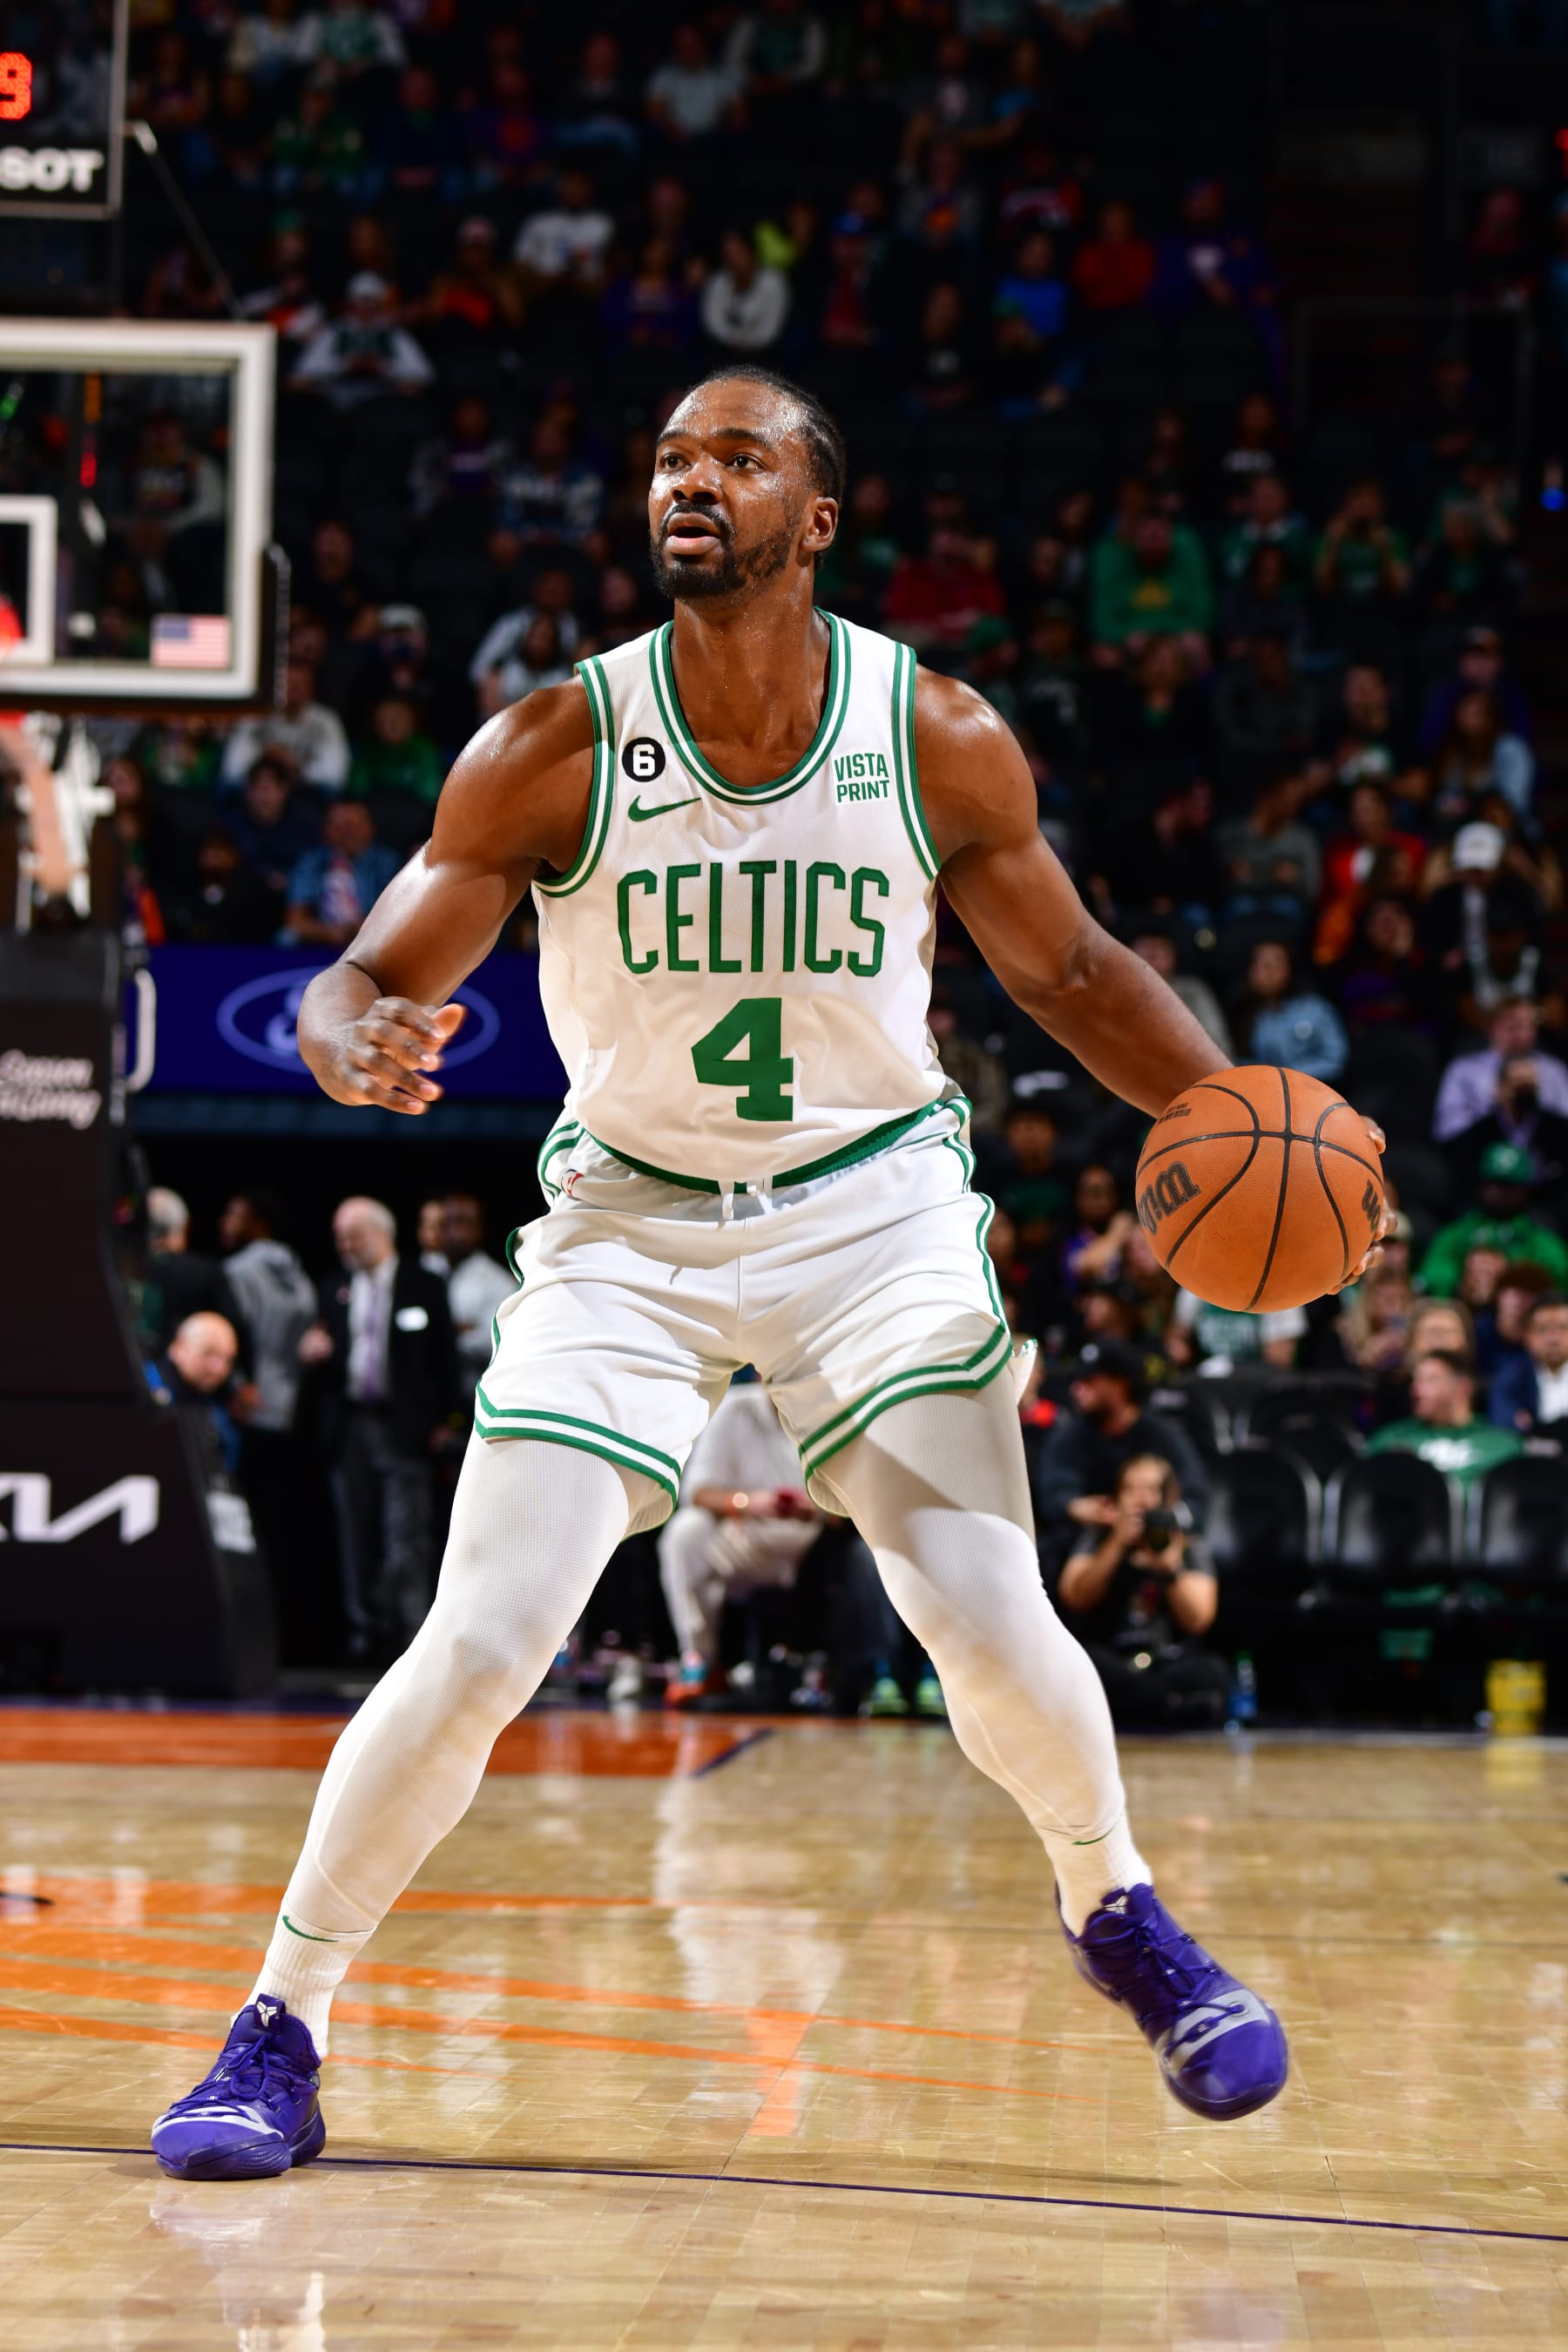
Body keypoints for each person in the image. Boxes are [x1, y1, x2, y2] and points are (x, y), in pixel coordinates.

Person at [154, 363, 1394, 2185]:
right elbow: (368, 966)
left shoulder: (936, 732)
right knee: (487, 1638)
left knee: (982, 1612)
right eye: (668, 455)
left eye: (738, 457)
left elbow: (1069, 977)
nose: (690, 480)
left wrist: (1240, 1111)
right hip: (633, 1234)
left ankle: (1117, 1910)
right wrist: (342, 1033)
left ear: (816, 516)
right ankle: (283, 2021)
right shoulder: (553, 745)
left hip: (869, 1217)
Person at [300, 1197, 458, 1666]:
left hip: (402, 1428)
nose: (345, 1245)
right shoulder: (334, 1288)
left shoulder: (422, 1285)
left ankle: (410, 1638)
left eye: (353, 1235)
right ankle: (364, 1638)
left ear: (382, 1233)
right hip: (350, 1426)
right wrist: (313, 1351)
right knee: (356, 1537)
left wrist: (444, 1422)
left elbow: (443, 1361)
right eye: (340, 1237)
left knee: (405, 1536)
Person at [659, 1377, 830, 1702]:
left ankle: (854, 1671)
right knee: (686, 1532)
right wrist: (748, 1503)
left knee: (857, 1544)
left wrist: (819, 1507)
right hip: (750, 1541)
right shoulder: (736, 1406)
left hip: (815, 1546)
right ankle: (701, 1661)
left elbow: (852, 1506)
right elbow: (696, 1490)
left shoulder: (830, 1405)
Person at [1053, 1454, 1228, 1731]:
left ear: (1169, 1497)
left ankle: (1150, 1705)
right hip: (1114, 1658)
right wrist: (1116, 1545)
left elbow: (1199, 1619)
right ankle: (1169, 1707)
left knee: (1212, 1671)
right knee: (1085, 1663)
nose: (1139, 1499)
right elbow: (1074, 1597)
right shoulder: (1099, 1539)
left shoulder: (1186, 1544)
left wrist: (1170, 1569)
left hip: (1167, 1660)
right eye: (1130, 1489)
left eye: (1148, 1489)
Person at [1031, 1336, 1211, 1563]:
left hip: (1152, 1546)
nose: (1077, 1389)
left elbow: (1195, 1500)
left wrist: (1158, 1518)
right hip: (1090, 1543)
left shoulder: (1162, 1435)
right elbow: (1051, 1491)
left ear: (1119, 1384)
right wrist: (1076, 1507)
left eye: (1089, 1381)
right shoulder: (1071, 1433)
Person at [1417, 1143, 1568, 1297]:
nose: (1500, 1193)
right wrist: (1462, 1280)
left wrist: (1509, 1275)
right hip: (1461, 1311)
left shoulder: (1542, 1242)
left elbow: (1558, 1281)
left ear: (1524, 1190)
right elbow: (1430, 1275)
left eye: (1509, 1186)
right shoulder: (1456, 1234)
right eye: (1494, 1184)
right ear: (1481, 1184)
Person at [1365, 1349, 1524, 1492]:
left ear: (1463, 1387)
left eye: (1430, 1380)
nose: (1415, 1389)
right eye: (1415, 1381)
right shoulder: (1390, 1438)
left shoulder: (1502, 1445)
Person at [1434, 1001, 1568, 1144]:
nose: (1522, 1035)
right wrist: (1496, 1106)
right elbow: (1446, 1130)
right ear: (1491, 1028)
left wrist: (1532, 1103)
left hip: (1542, 1158)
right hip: (1483, 1155)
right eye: (1512, 1027)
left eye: (1529, 1027)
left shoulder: (1554, 1069)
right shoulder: (1464, 1070)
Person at [141, 1187, 249, 1364]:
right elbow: (235, 1330)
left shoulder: (124, 1271)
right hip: (186, 1384)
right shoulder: (206, 1273)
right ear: (185, 1226)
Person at [281, 802, 402, 947]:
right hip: (321, 939)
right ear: (325, 830)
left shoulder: (389, 863)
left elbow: (400, 916)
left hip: (374, 941)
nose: (348, 834)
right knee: (286, 937)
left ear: (371, 829)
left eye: (355, 827)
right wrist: (330, 933)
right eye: (340, 827)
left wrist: (363, 929)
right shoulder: (311, 862)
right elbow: (295, 920)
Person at [147, 1310, 247, 1477]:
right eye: (209, 1353)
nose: (220, 1368)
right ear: (179, 1347)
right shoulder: (142, 1386)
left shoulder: (218, 1420)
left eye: (228, 1360)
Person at [441, 1193, 514, 1397]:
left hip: (473, 1398)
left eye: (465, 1222)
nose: (456, 1231)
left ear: (479, 1228)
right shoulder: (425, 1273)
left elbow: (493, 1342)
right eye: (449, 1222)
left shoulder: (499, 1282)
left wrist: (442, 1335)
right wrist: (456, 1329)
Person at [1490, 1294, 1568, 1432]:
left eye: (1563, 1328)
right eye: (1543, 1329)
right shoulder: (1510, 1376)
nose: (1553, 1339)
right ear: (1527, 1336)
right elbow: (1504, 1424)